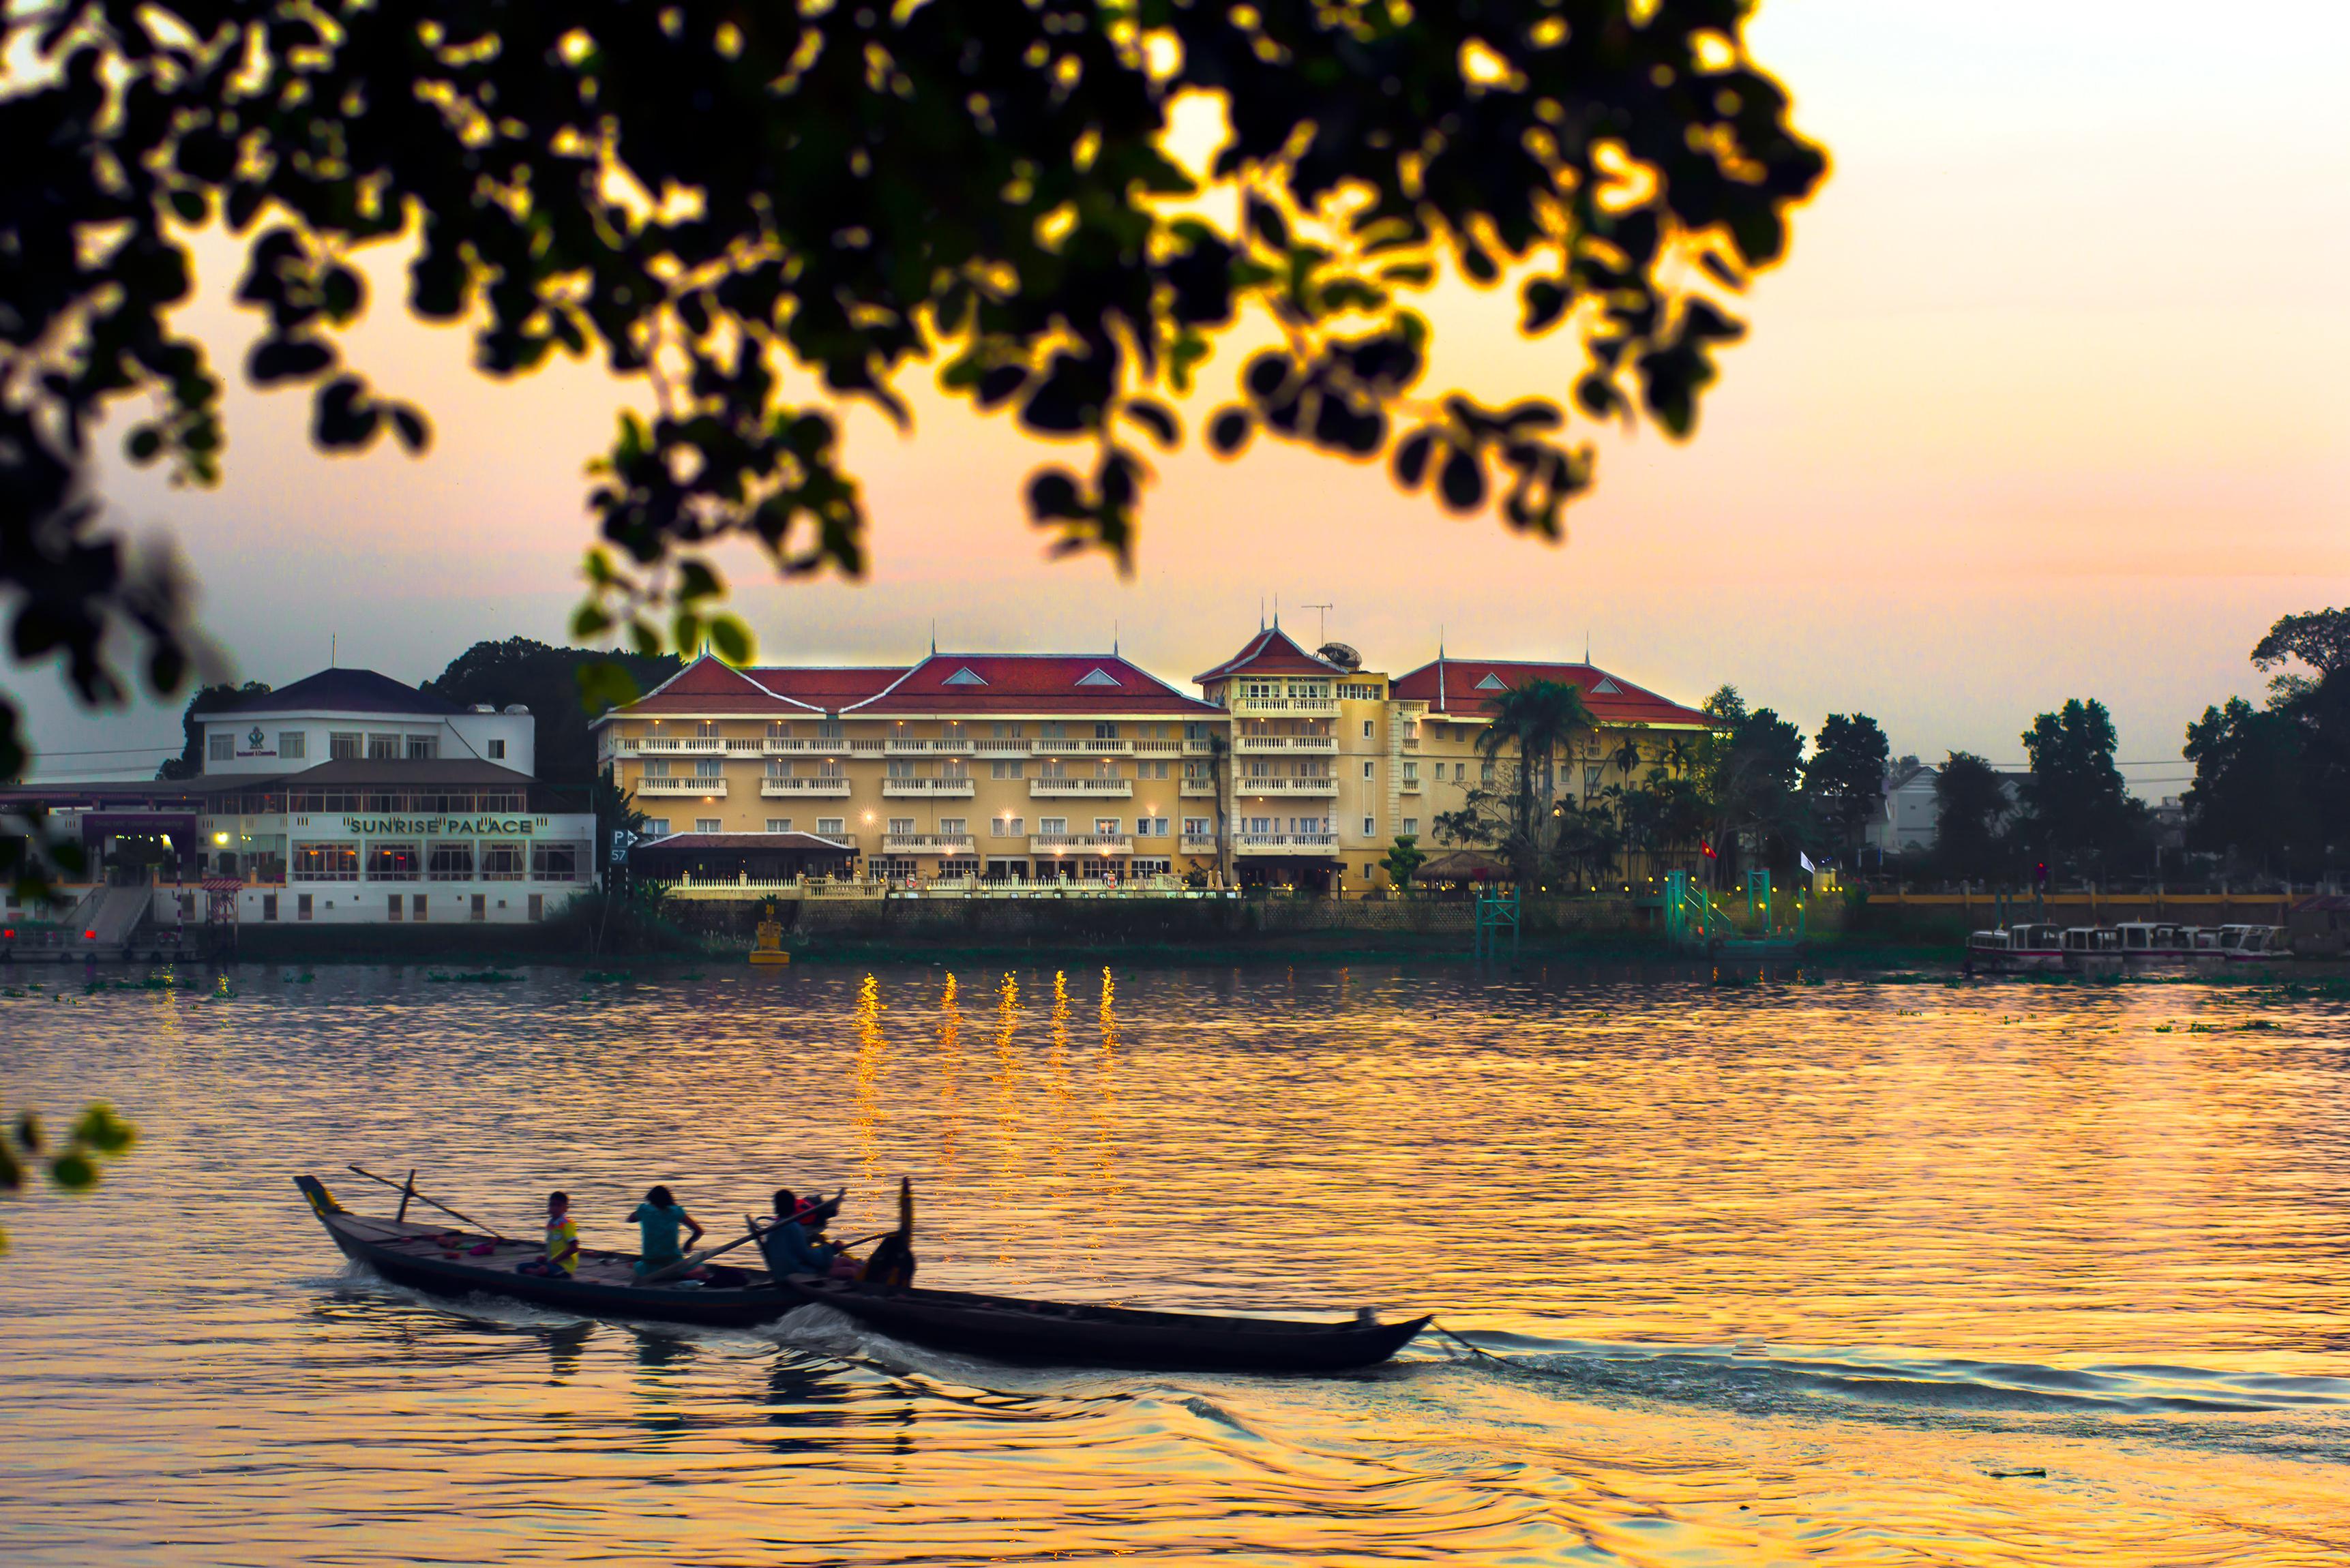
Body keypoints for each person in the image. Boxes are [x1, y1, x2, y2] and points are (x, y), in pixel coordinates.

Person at [758, 1188, 844, 1278]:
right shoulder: (793, 1226)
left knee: (843, 1262)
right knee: (849, 1270)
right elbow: (807, 1256)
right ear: (793, 1206)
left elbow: (796, 1251)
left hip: (782, 1272)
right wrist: (831, 1249)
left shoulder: (773, 1228)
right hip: (795, 1273)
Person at [628, 1185, 704, 1278]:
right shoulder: (676, 1212)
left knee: (634, 1265)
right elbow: (699, 1231)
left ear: (650, 1199)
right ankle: (683, 1275)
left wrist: (642, 1212)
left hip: (650, 1263)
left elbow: (630, 1219)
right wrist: (689, 1243)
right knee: (702, 1268)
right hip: (673, 1263)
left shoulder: (644, 1210)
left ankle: (671, 1274)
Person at [516, 1190, 580, 1278]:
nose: (555, 1208)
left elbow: (574, 1248)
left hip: (564, 1267)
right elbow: (553, 1247)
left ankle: (538, 1272)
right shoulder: (551, 1224)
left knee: (545, 1270)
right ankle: (538, 1272)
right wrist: (545, 1257)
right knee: (520, 1267)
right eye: (552, 1205)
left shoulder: (567, 1224)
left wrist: (553, 1261)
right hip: (551, 1264)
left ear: (566, 1208)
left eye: (559, 1205)